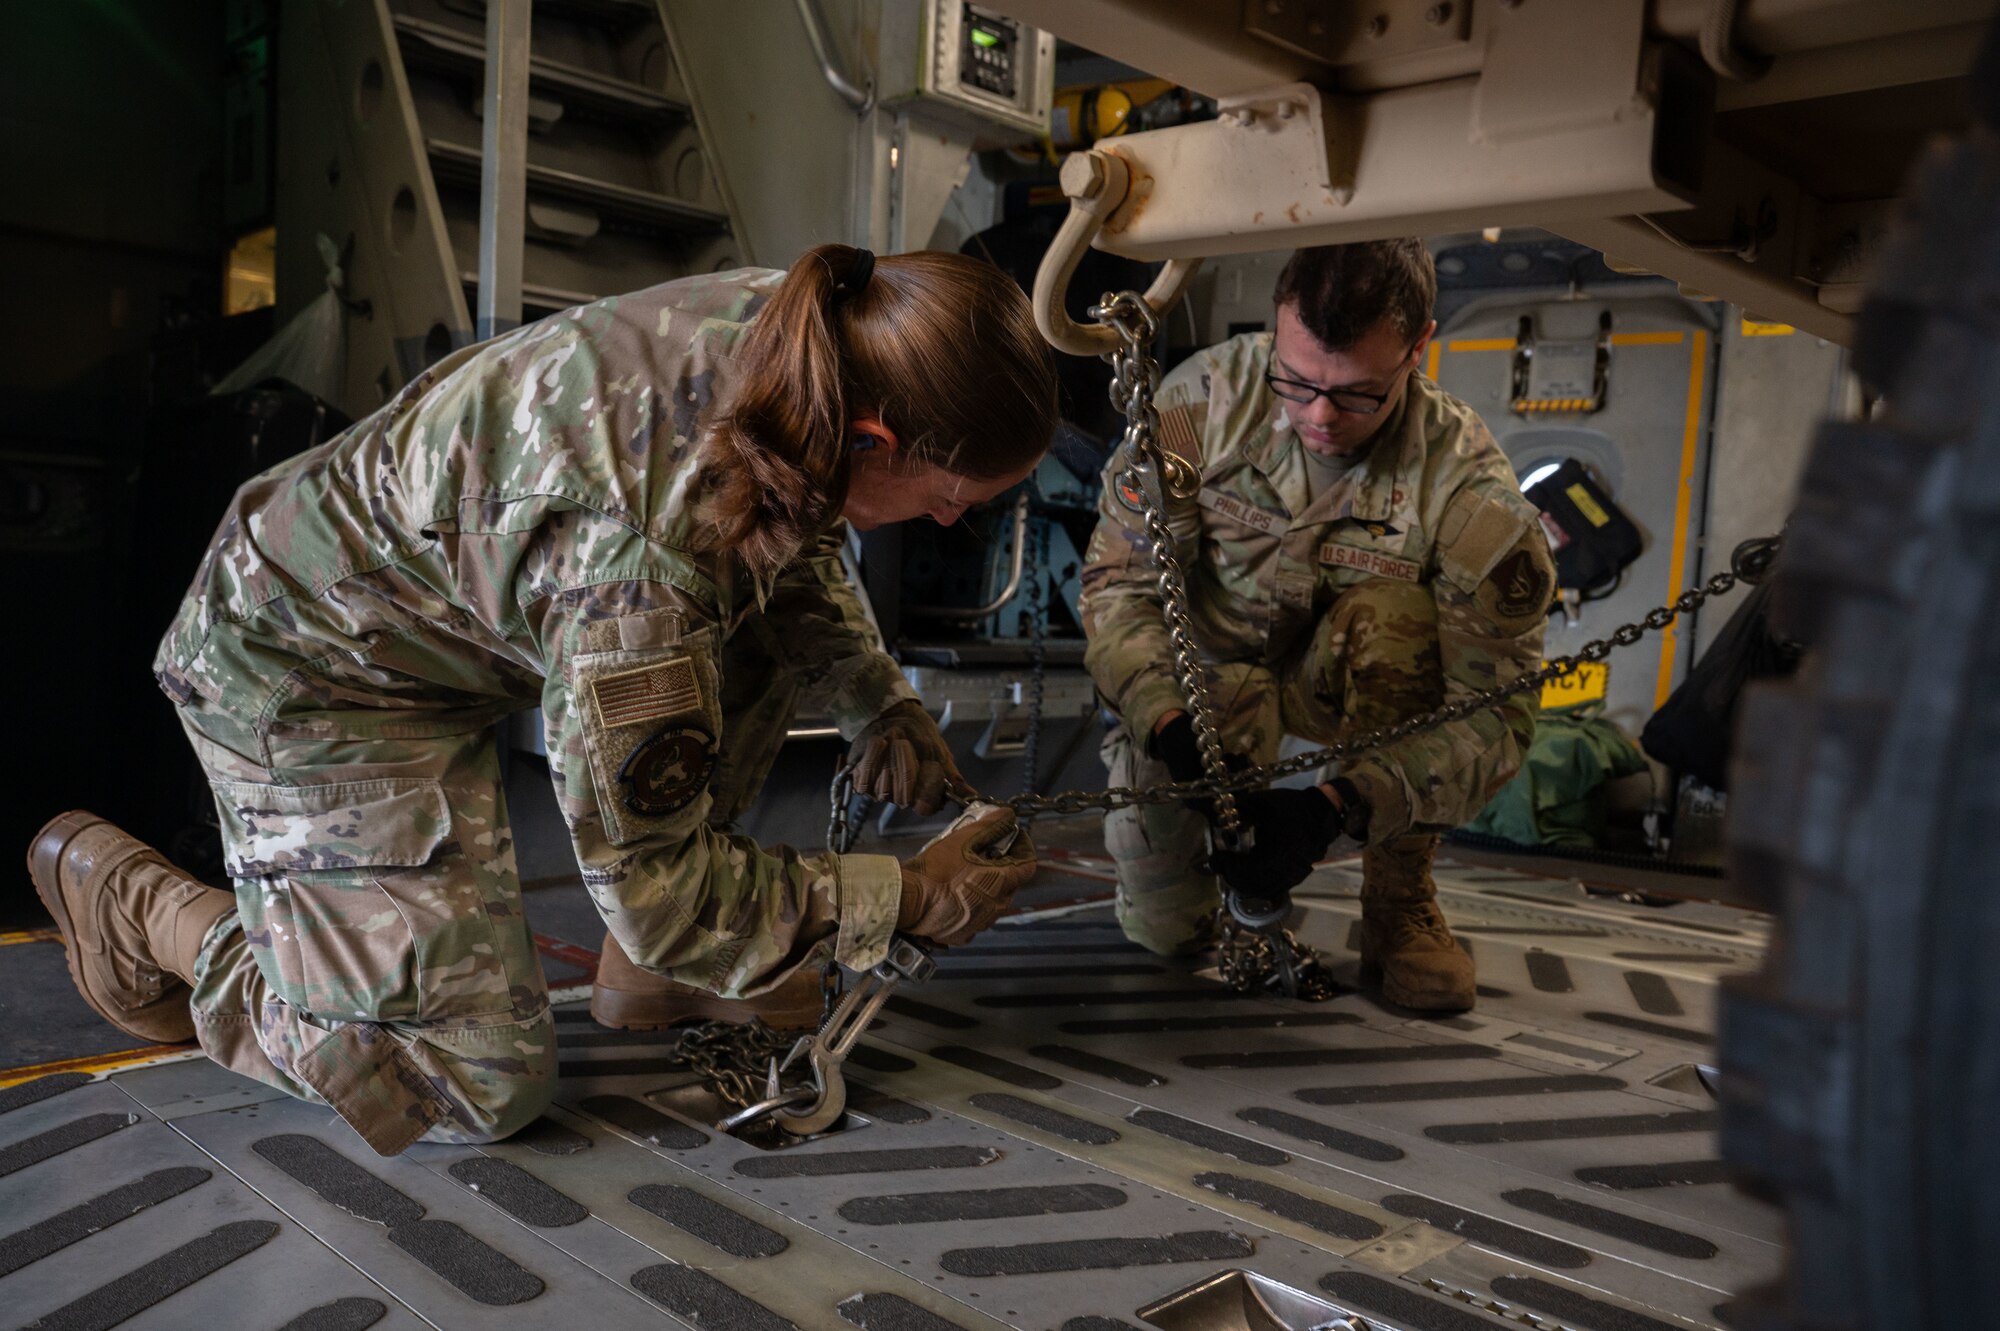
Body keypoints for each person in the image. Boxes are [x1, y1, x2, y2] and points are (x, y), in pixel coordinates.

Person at [27, 245, 1053, 1156]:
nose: (955, 519)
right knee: (464, 1081)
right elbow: (664, 891)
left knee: (759, 610)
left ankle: (655, 976)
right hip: (307, 673)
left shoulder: (820, 336)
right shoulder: (642, 574)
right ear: (872, 438)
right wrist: (910, 897)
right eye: (951, 498)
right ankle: (149, 911)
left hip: (434, 631)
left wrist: (878, 701)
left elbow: (797, 528)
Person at [1079, 239, 1553, 1011]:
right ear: (1277, 323)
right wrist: (1167, 724)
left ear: (1418, 347)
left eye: (1358, 393)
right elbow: (1119, 590)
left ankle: (1399, 900)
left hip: (1344, 690)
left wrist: (1341, 807)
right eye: (1296, 382)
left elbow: (1493, 712)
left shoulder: (1466, 489)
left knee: (1397, 623)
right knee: (1164, 934)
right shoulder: (1199, 409)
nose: (1321, 415)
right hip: (1205, 689)